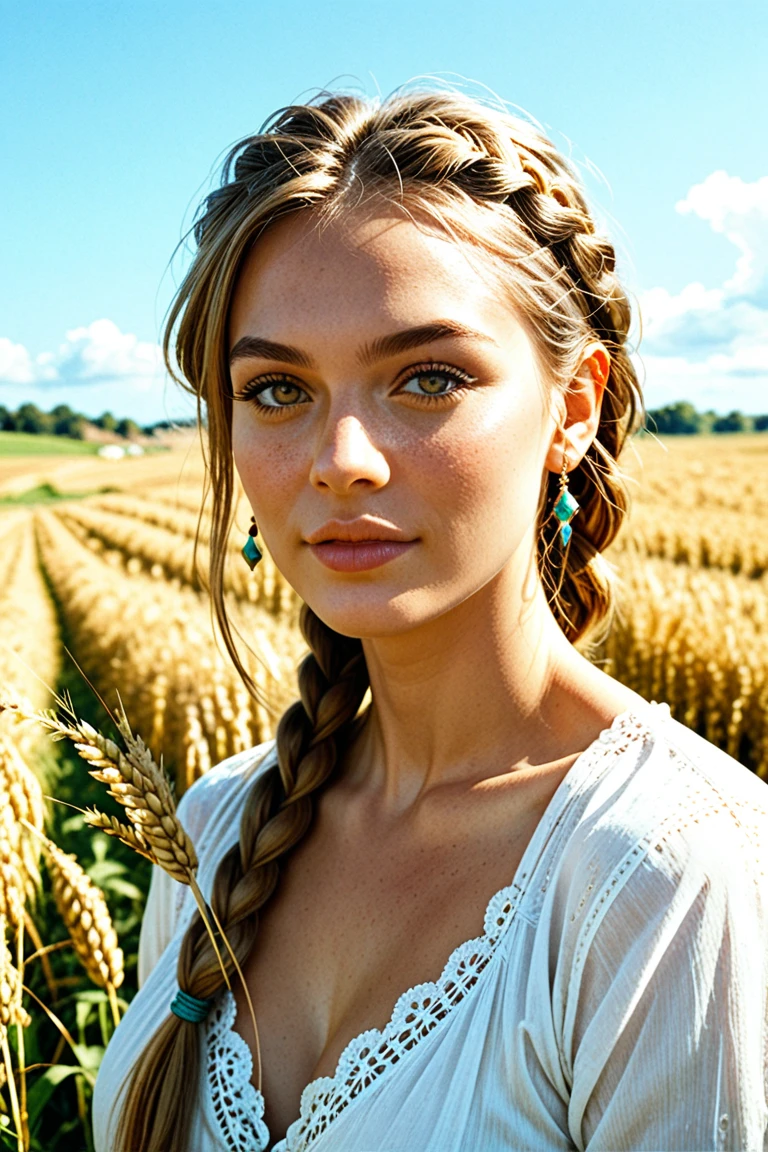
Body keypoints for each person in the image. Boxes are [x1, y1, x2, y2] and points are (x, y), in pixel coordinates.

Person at [92, 87, 768, 1152]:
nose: (341, 459)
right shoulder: (214, 831)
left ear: (572, 409)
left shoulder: (665, 874)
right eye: (276, 390)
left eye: (428, 378)